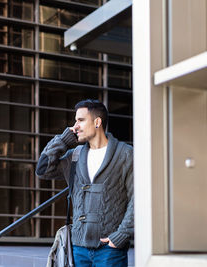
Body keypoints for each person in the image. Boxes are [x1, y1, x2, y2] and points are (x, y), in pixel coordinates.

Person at [36, 99, 133, 267]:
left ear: (97, 122)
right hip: (78, 249)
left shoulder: (125, 154)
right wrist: (65, 140)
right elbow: (43, 169)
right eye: (76, 120)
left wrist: (122, 235)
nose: (75, 125)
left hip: (110, 250)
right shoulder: (75, 156)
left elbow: (138, 197)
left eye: (80, 120)